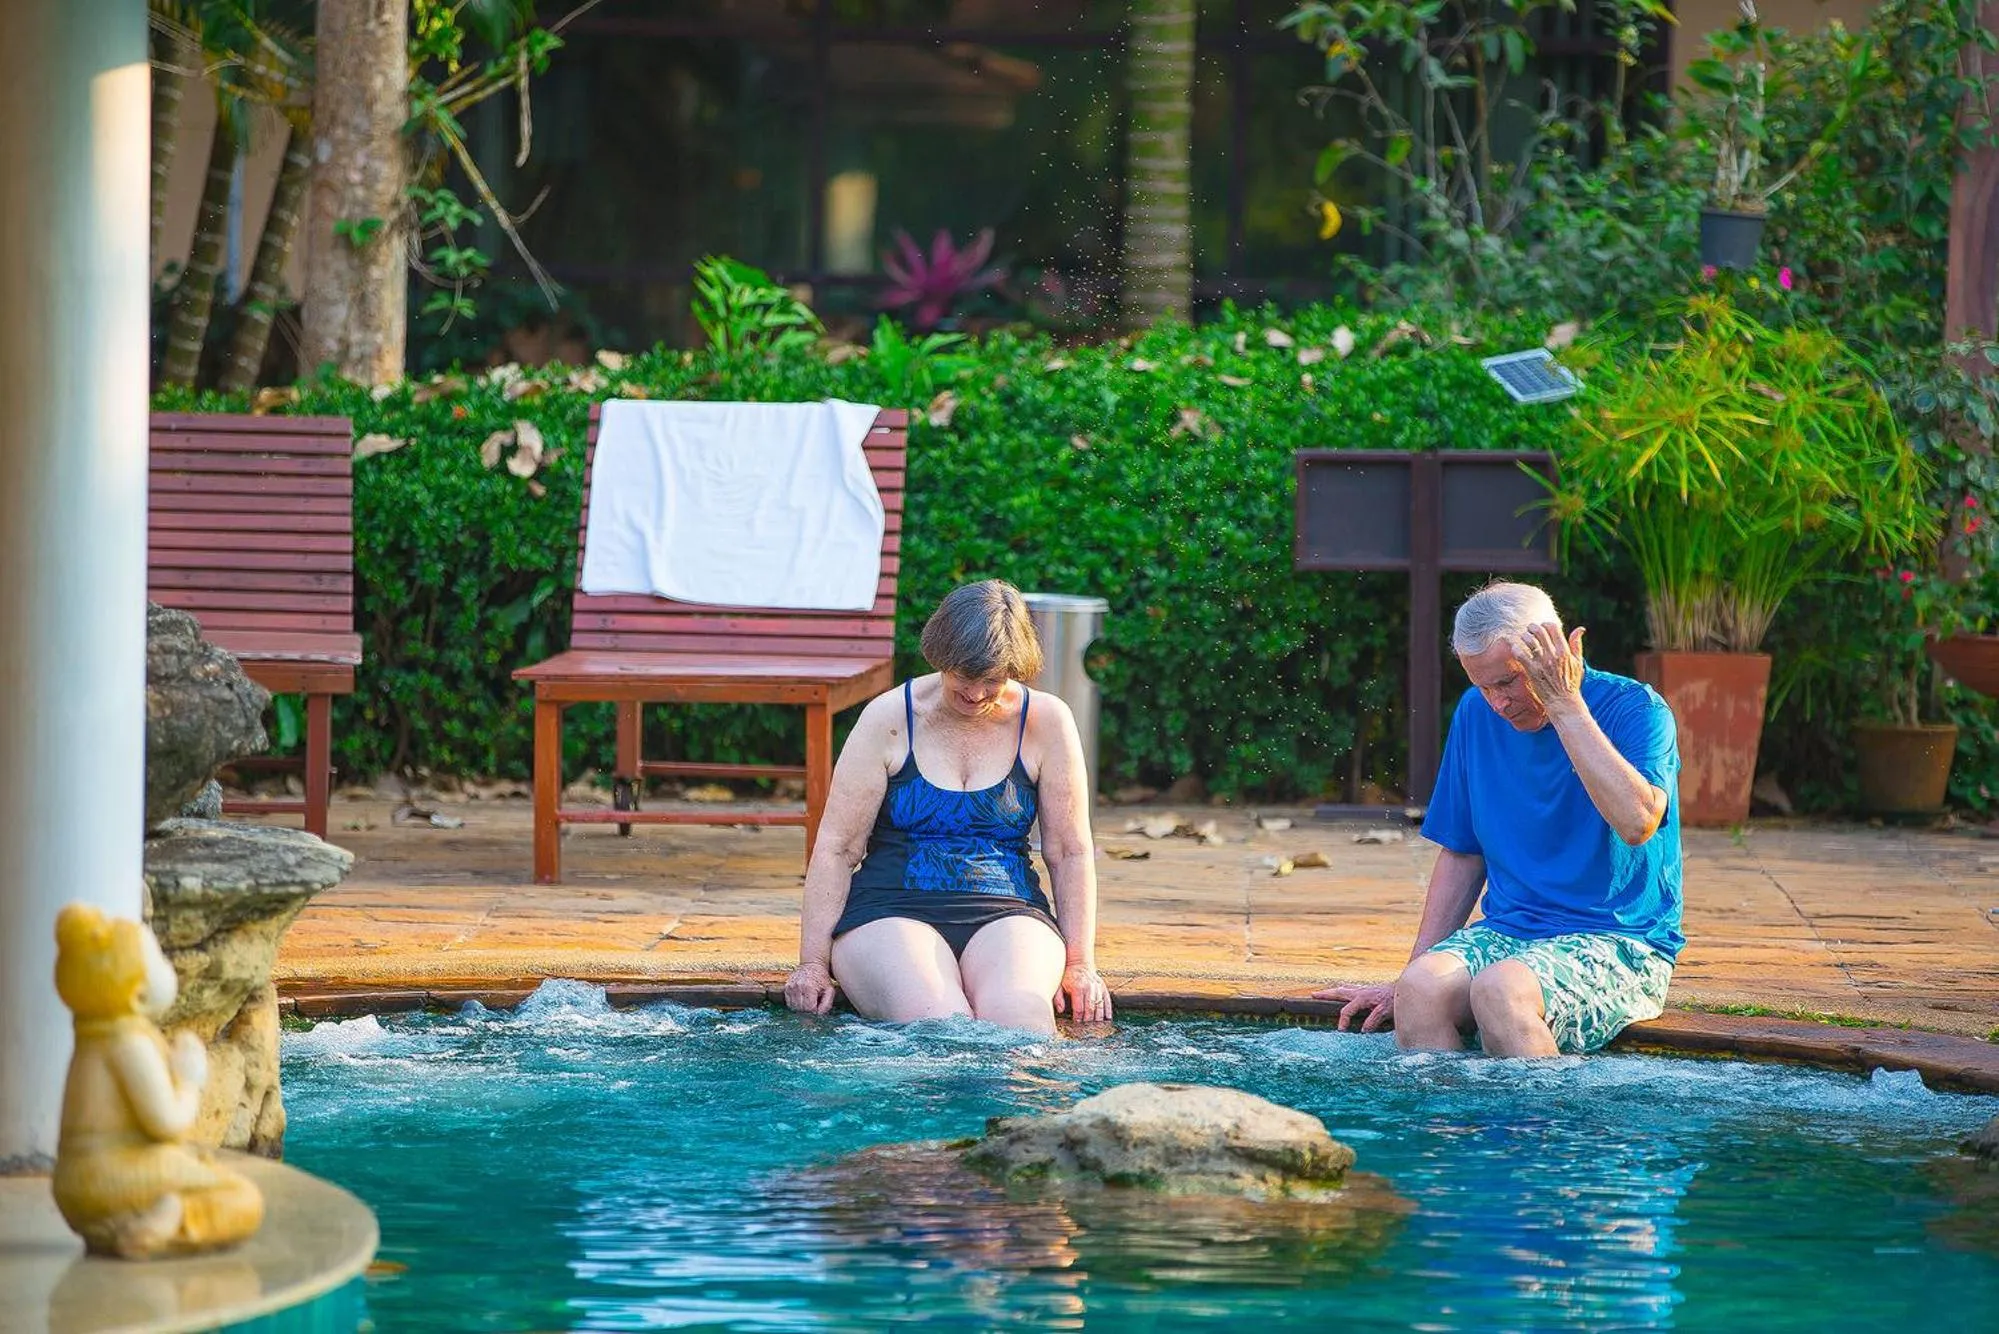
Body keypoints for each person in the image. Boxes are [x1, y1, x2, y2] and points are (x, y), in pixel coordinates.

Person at [1316, 581, 1684, 1056]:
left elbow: (1638, 823)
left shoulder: (1637, 709)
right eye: (1482, 686)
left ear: (1552, 649)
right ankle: (1446, 1130)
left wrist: (1564, 703)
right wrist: (1405, 979)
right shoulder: (1476, 714)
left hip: (1623, 942)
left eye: (1507, 681)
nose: (1497, 703)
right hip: (1512, 932)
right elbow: (1463, 855)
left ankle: (1544, 1128)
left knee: (1501, 992)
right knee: (1422, 989)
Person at [783, 579, 1112, 1034]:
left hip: (1009, 910)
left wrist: (1081, 964)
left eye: (992, 681)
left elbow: (1069, 850)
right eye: (964, 677)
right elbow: (838, 847)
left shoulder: (1047, 721)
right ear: (941, 659)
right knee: (939, 1029)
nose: (976, 694)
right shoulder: (888, 718)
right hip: (888, 911)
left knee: (1021, 1029)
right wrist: (812, 963)